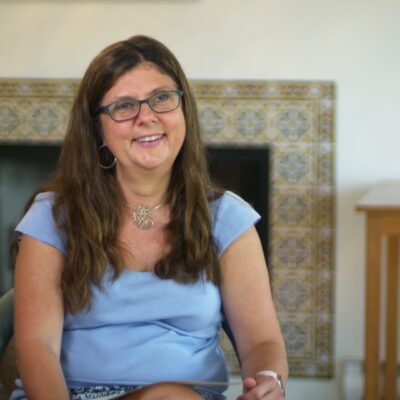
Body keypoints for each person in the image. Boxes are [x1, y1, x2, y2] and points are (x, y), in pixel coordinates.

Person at [11, 35, 288, 400]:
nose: (147, 116)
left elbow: (263, 341)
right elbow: (36, 346)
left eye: (161, 98)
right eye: (124, 106)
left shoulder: (227, 218)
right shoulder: (53, 217)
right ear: (98, 129)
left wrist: (268, 380)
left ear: (183, 110)